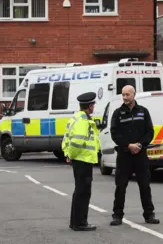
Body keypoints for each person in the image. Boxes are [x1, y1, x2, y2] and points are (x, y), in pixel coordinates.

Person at [110, 85, 160, 226]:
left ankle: (149, 215)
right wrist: (128, 145)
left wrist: (140, 145)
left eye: (127, 94)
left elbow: (149, 132)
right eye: (123, 95)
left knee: (144, 185)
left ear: (134, 95)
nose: (125, 97)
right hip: (124, 155)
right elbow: (115, 133)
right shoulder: (117, 113)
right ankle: (117, 215)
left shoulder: (143, 112)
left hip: (140, 155)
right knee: (120, 186)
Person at [61, 92, 100, 231]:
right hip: (83, 160)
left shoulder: (75, 118)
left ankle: (76, 222)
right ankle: (80, 223)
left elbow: (66, 138)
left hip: (81, 159)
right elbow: (77, 141)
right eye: (93, 105)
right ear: (89, 106)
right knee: (83, 192)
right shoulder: (83, 121)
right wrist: (71, 154)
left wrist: (68, 153)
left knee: (80, 191)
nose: (94, 107)